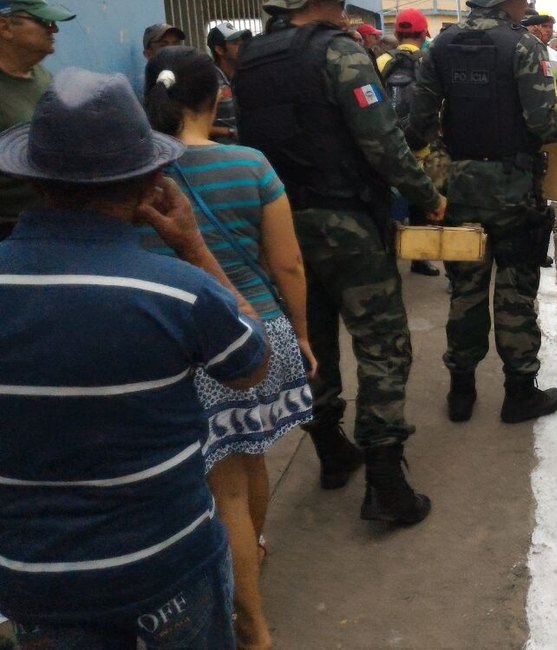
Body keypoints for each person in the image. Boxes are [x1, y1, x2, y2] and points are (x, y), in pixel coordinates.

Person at [0, 68, 269, 649]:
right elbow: (251, 365)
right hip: (166, 571)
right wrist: (194, 247)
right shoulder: (177, 291)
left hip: (33, 583)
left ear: (32, 178)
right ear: (152, 181)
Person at [235, 0, 447, 526]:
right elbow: (383, 142)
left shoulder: (252, 59)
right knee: (382, 344)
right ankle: (385, 482)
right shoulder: (340, 54)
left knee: (314, 337)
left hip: (279, 224)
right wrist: (428, 196)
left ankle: (331, 450)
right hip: (344, 222)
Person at [143, 45, 316, 649]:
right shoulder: (250, 164)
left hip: (177, 342)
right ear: (216, 96)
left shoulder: (139, 176)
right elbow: (288, 264)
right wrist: (300, 332)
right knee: (245, 470)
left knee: (221, 484)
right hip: (254, 335)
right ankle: (253, 614)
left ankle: (244, 600)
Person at [409, 0, 557, 424]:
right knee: (514, 294)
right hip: (514, 191)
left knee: (466, 291)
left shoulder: (441, 45)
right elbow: (545, 125)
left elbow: (418, 123)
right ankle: (519, 393)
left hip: (462, 189)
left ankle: (461, 392)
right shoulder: (524, 46)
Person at [0, 0, 74, 240]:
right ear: (5, 27)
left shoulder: (42, 76)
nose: (54, 30)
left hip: (50, 221)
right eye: (44, 22)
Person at [378, 7, 440, 277]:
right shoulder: (428, 61)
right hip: (422, 147)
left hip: (386, 148)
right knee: (421, 202)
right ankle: (419, 258)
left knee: (387, 205)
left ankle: (387, 260)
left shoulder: (380, 61)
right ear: (424, 32)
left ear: (397, 32)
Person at [207, 21, 251, 143]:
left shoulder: (247, 74)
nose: (242, 47)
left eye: (243, 42)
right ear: (220, 50)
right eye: (235, 43)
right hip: (221, 151)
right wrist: (230, 132)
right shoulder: (209, 79)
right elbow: (195, 126)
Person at [522, 9, 557, 115]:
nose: (548, 30)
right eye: (544, 26)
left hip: (553, 116)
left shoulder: (555, 56)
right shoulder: (521, 52)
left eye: (550, 27)